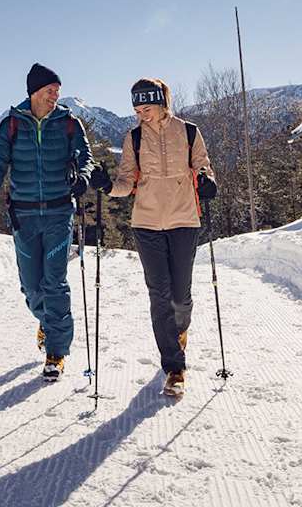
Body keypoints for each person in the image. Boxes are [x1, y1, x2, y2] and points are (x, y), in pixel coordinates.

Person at [89, 77, 215, 397]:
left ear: (162, 102)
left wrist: (207, 181)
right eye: (137, 109)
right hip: (146, 223)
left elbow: (203, 167)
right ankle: (174, 367)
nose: (141, 113)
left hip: (184, 220)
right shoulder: (133, 138)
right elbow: (126, 181)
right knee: (159, 295)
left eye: (146, 107)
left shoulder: (188, 131)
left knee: (180, 296)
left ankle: (179, 331)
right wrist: (107, 186)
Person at [0, 63, 93, 381]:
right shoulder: (12, 124)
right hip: (23, 215)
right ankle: (49, 322)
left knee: (54, 282)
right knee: (31, 287)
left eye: (57, 90)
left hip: (58, 213)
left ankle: (56, 352)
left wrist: (83, 175)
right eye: (50, 90)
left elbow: (85, 156)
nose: (55, 95)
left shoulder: (68, 123)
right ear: (34, 92)